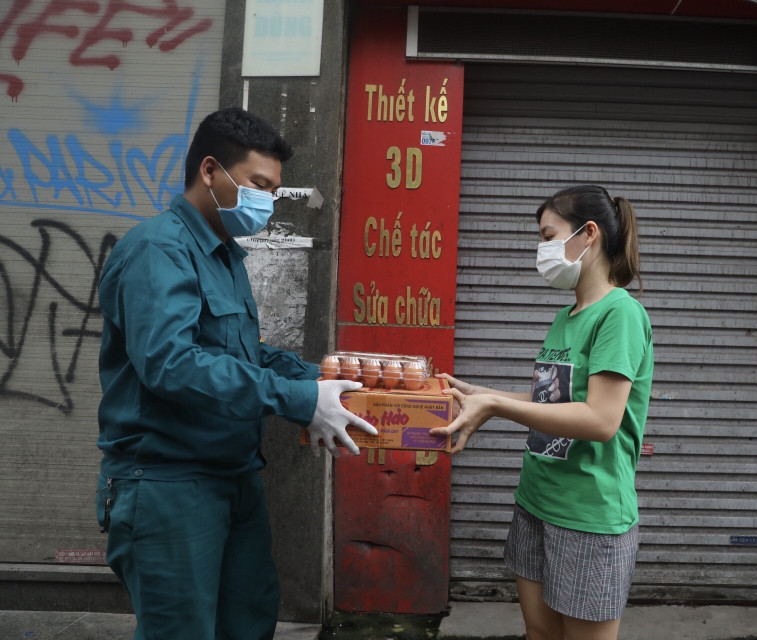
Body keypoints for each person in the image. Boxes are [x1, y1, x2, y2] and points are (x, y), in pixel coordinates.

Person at [95, 107, 376, 639]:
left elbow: (245, 353)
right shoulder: (159, 249)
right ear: (209, 171)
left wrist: (321, 379)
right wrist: (295, 401)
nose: (267, 202)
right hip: (168, 485)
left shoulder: (224, 255)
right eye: (258, 185)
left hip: (233, 478)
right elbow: (171, 365)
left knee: (248, 621)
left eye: (274, 190)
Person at [431, 185, 653, 640]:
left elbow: (600, 420)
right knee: (539, 633)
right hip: (536, 500)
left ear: (588, 234)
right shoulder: (567, 316)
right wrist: (481, 392)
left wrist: (495, 406)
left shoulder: (620, 314)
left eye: (549, 235)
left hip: (589, 516)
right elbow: (553, 401)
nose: (543, 248)